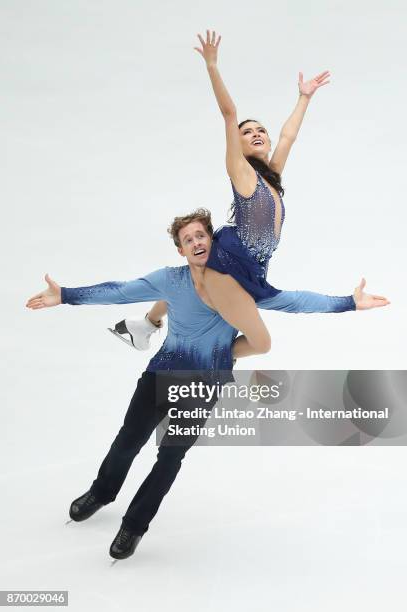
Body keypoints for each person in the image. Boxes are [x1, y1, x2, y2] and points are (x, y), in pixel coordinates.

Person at [26, 209, 389, 561]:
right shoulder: (171, 280)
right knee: (127, 441)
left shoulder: (237, 287)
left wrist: (347, 303)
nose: (196, 242)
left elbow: (293, 300)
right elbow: (121, 291)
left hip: (202, 388)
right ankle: (102, 492)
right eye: (188, 239)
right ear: (180, 249)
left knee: (169, 457)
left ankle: (134, 526)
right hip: (160, 376)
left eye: (201, 235)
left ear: (212, 241)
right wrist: (66, 295)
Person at [110, 30, 333, 355]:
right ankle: (176, 339)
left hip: (239, 252)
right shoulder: (241, 171)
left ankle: (146, 325)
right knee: (204, 291)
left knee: (193, 282)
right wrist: (212, 66)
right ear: (238, 145)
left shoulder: (271, 175)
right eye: (248, 132)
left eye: (261, 131)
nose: (256, 134)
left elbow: (288, 137)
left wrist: (304, 98)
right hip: (233, 251)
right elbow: (230, 114)